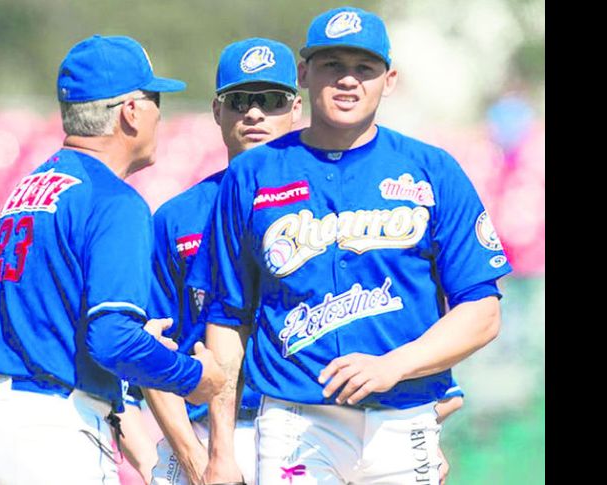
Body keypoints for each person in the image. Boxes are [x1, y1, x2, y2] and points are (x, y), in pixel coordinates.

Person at [190, 6, 512, 484]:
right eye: (332, 65)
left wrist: (394, 366)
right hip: (294, 418)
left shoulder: (432, 169)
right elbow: (226, 319)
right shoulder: (252, 176)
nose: (348, 80)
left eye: (364, 68)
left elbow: (482, 312)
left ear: (390, 79)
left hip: (405, 415)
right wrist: (219, 450)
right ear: (303, 73)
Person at [0, 35, 224, 485]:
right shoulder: (115, 200)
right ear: (131, 111)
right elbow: (110, 339)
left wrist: (135, 337)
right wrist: (194, 377)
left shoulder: (31, 185)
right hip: (44, 430)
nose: (159, 114)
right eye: (154, 100)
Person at [145, 38, 303, 485]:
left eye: (270, 100)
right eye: (239, 101)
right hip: (199, 430)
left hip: (306, 428)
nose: (254, 114)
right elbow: (152, 350)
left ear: (296, 109)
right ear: (217, 112)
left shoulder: (331, 207)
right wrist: (196, 459)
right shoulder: (177, 217)